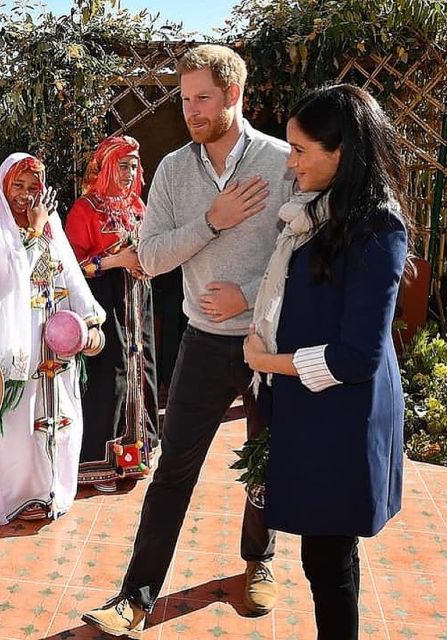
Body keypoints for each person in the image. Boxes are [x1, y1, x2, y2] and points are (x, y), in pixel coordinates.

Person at [83, 44, 293, 637]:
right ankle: (135, 595)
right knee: (172, 471)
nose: (192, 109)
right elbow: (147, 258)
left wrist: (248, 299)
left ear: (233, 95)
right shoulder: (174, 169)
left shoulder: (281, 164)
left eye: (202, 98)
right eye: (184, 99)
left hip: (265, 341)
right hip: (201, 344)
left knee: (265, 460)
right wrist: (211, 222)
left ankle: (260, 562)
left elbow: (299, 256)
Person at [243, 84, 409, 640]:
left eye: (299, 150)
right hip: (310, 407)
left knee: (328, 559)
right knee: (324, 557)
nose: (290, 165)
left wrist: (272, 360)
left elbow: (358, 355)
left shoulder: (377, 228)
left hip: (343, 415)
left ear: (340, 151)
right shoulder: (315, 214)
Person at [0, 152, 105, 524]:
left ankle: (53, 488)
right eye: (18, 185)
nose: (26, 194)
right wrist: (34, 232)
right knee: (20, 422)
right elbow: (6, 282)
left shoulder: (49, 226)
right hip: (19, 348)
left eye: (34, 187)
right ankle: (19, 494)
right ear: (3, 187)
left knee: (61, 412)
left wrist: (89, 321)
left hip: (56, 342)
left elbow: (67, 272)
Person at [65, 135, 159, 493]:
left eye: (134, 165)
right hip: (104, 302)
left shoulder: (136, 206)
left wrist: (147, 264)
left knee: (141, 369)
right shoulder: (85, 209)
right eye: (122, 165)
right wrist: (117, 259)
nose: (129, 172)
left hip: (137, 299)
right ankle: (99, 464)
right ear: (105, 167)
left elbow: (150, 247)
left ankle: (135, 456)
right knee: (112, 374)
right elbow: (72, 266)